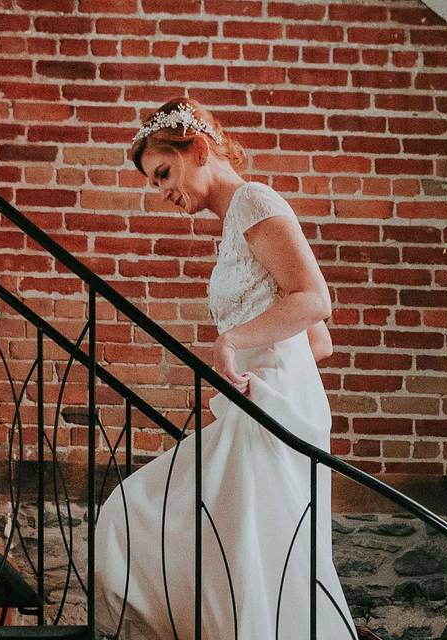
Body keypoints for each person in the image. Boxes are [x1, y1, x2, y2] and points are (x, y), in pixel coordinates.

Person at [93, 97, 362, 640]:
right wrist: (265, 367)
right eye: (153, 183)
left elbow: (315, 301)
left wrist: (233, 344)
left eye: (163, 173)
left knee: (249, 549)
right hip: (264, 400)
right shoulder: (233, 223)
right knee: (235, 546)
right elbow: (319, 345)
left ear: (197, 149)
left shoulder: (253, 201)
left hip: (270, 404)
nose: (162, 192)